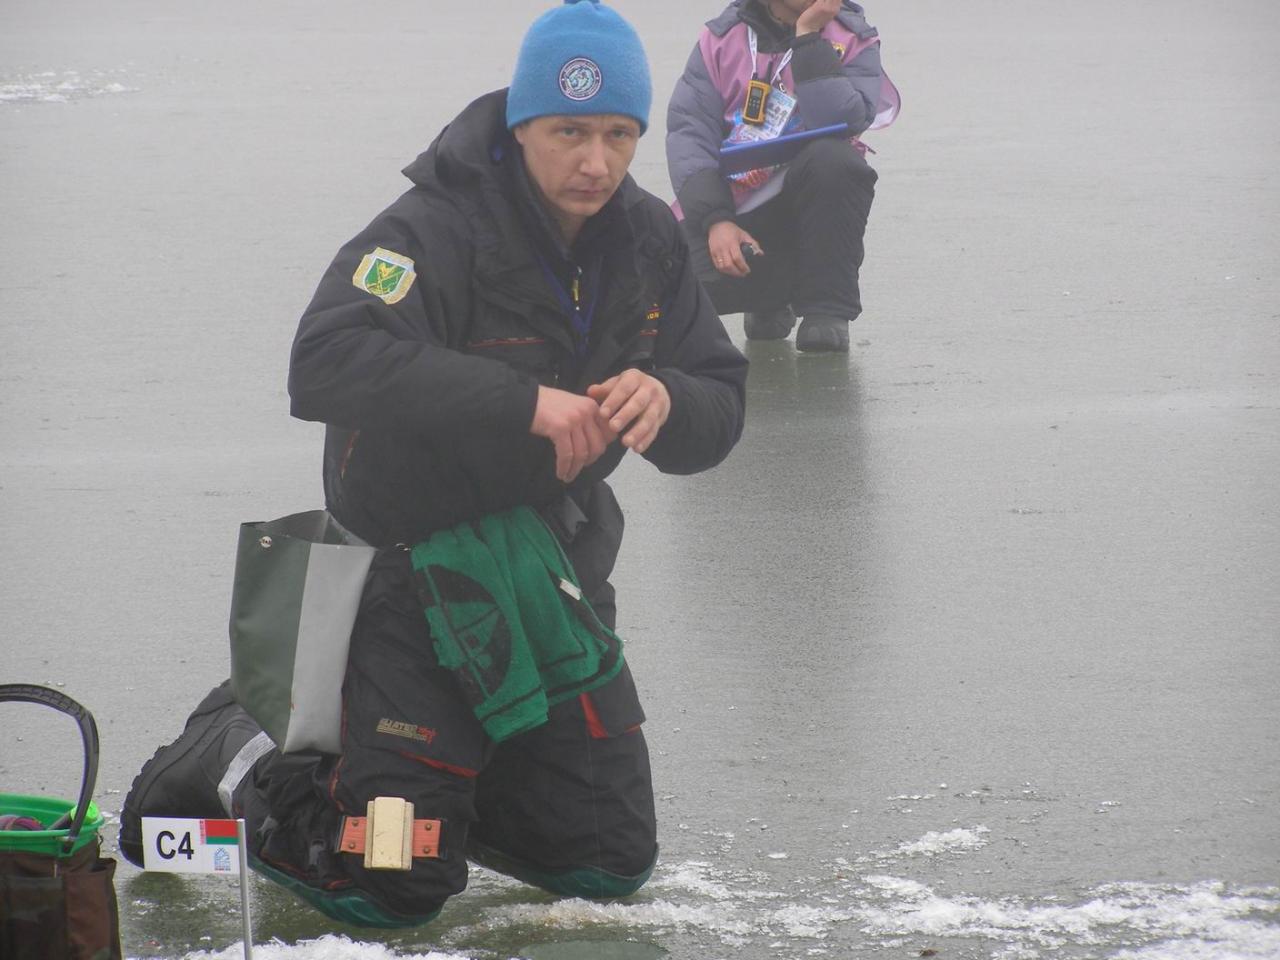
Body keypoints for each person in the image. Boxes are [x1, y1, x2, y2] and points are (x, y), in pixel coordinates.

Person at [119, 0, 747, 928]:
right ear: (521, 124)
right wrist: (525, 403)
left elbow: (720, 395)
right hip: (408, 581)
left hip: (551, 571)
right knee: (388, 881)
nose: (596, 161)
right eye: (569, 132)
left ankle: (438, 787)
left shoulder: (650, 238)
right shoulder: (428, 231)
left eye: (619, 135)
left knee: (606, 862)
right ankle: (241, 747)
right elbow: (324, 360)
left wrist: (670, 399)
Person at [666, 0, 898, 352]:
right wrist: (716, 220)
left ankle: (825, 310)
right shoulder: (719, 40)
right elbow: (689, 135)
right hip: (735, 207)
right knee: (668, 284)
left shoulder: (854, 38)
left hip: (809, 208)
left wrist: (808, 38)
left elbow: (841, 119)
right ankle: (769, 301)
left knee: (835, 161)